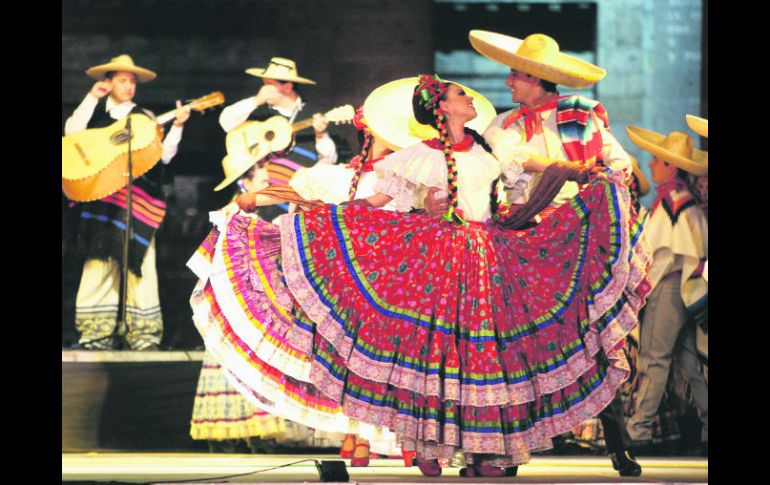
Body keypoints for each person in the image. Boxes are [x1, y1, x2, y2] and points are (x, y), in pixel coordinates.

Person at [189, 74, 649, 478]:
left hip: (490, 259)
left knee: (484, 358)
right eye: (458, 94)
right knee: (440, 357)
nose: (469, 98)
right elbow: (371, 206)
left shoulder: (493, 146)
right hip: (441, 264)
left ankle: (484, 451)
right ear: (442, 108)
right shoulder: (417, 157)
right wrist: (281, 204)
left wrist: (583, 171)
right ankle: (431, 443)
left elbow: (532, 173)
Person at [424, 31, 641, 477]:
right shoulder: (501, 126)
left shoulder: (579, 116)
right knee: (511, 348)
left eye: (515, 75)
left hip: (572, 239)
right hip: (518, 239)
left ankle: (617, 442)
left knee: (588, 336)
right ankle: (503, 453)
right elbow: (478, 171)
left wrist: (593, 181)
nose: (508, 84)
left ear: (538, 79)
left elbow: (620, 166)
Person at [64, 54, 191, 350]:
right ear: (108, 82)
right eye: (122, 80)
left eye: (132, 81)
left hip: (136, 202)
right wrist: (90, 97)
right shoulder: (94, 115)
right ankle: (95, 334)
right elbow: (71, 134)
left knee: (141, 265)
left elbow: (164, 157)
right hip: (102, 200)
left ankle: (143, 335)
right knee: (98, 263)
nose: (129, 86)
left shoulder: (145, 117)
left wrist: (179, 127)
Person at [623, 126, 708, 456]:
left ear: (671, 166)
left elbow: (662, 255)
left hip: (668, 286)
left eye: (657, 160)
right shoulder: (685, 202)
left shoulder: (672, 203)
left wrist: (642, 289)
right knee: (688, 361)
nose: (651, 164)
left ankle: (638, 431)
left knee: (653, 360)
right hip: (687, 288)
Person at [215, 57, 349, 221]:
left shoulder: (312, 113)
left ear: (287, 86)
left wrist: (321, 134)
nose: (263, 89)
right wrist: (257, 100)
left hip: (292, 201)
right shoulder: (260, 112)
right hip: (257, 199)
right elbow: (225, 121)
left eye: (268, 84)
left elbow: (329, 159)